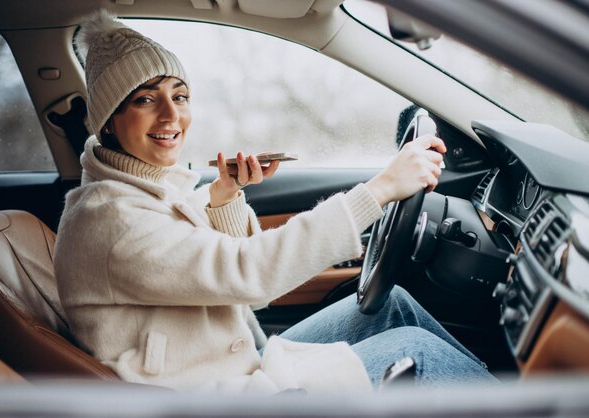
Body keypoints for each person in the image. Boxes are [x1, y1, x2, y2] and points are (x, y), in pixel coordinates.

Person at [54, 10, 495, 394]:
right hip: (207, 394)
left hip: (240, 360)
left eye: (180, 94)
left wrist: (222, 198)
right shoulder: (106, 219)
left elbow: (213, 277)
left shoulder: (145, 192)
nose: (171, 114)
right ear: (109, 122)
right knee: (417, 352)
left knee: (393, 305)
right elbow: (249, 273)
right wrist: (378, 191)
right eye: (145, 99)